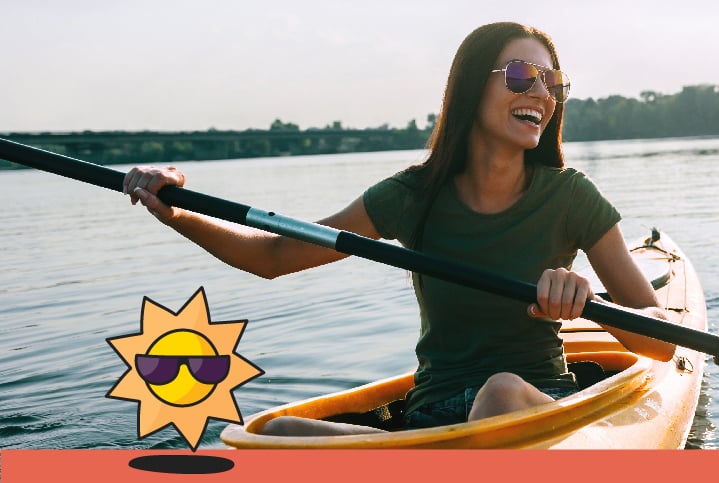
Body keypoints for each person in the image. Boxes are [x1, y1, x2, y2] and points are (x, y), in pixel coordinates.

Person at [120, 22, 675, 435]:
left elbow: (660, 340)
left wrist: (587, 302)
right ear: (470, 87)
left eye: (553, 82)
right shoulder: (411, 195)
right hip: (431, 419)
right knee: (276, 431)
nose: (542, 94)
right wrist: (177, 212)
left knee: (500, 392)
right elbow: (273, 256)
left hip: (533, 405)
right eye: (521, 76)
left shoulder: (571, 196)